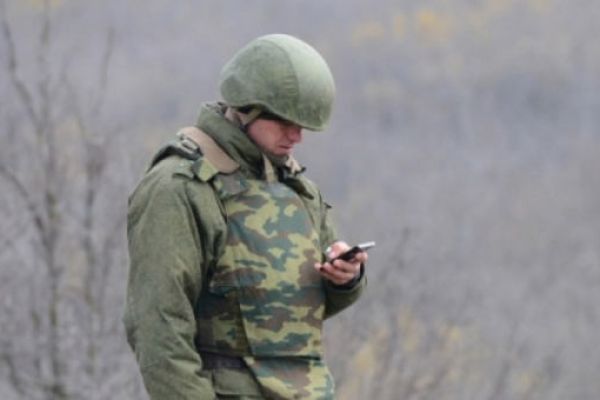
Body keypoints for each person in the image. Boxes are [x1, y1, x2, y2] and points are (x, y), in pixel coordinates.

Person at [124, 33, 368, 399]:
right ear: (247, 108)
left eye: (303, 125)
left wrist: (345, 279)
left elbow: (295, 312)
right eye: (285, 121)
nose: (297, 136)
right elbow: (158, 327)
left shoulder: (295, 188)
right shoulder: (180, 188)